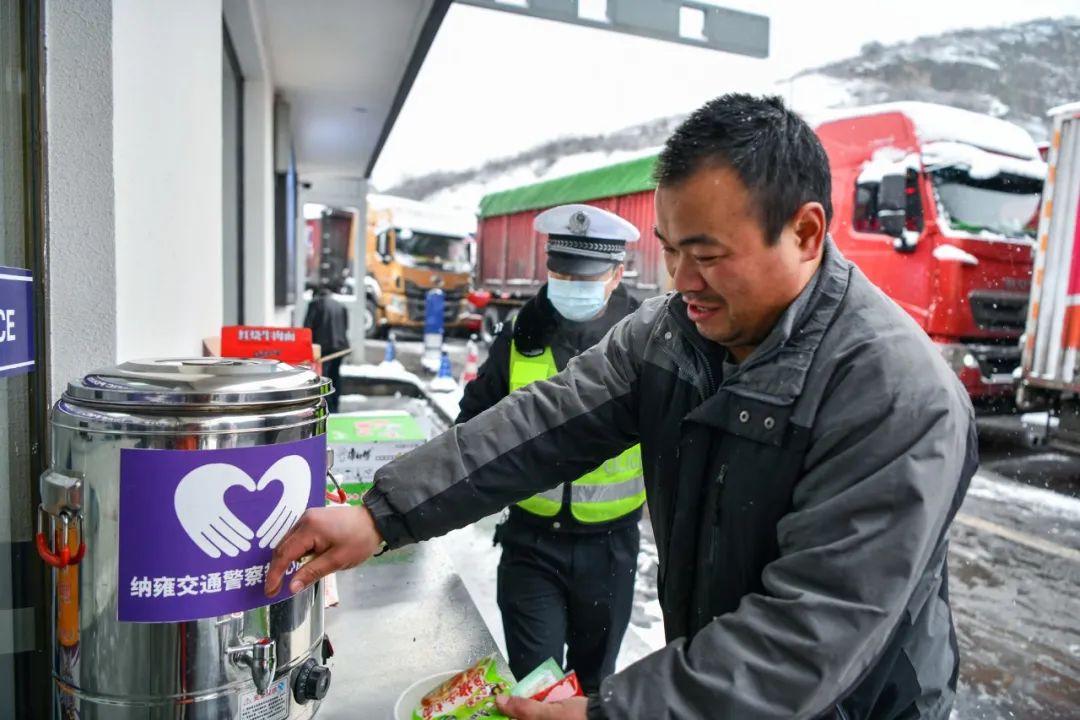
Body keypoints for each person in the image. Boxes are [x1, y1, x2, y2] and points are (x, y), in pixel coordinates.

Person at [267, 94, 977, 720]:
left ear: (806, 233)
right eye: (670, 251)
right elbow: (544, 421)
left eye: (707, 254)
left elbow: (813, 632)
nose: (683, 280)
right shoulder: (673, 335)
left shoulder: (891, 391)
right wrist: (380, 515)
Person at [457, 203, 644, 694]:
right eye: (560, 272)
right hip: (530, 546)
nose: (569, 285)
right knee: (538, 686)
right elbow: (471, 425)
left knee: (592, 685)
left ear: (616, 274)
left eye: (584, 276)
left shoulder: (645, 341)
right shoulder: (521, 336)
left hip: (609, 551)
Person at [303, 283, 349, 413]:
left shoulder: (315, 304)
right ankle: (336, 405)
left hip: (323, 349)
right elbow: (345, 328)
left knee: (325, 378)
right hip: (339, 348)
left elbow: (307, 329)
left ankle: (328, 407)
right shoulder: (340, 306)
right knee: (335, 376)